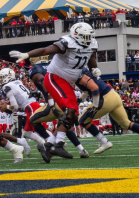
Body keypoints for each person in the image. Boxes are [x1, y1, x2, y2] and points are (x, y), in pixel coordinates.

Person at [10, 22, 99, 161]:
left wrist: (94, 69)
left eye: (89, 37)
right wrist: (27, 54)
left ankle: (48, 145)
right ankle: (59, 144)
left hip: (68, 82)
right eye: (84, 37)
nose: (87, 40)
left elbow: (91, 59)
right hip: (55, 78)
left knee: (72, 112)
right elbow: (45, 51)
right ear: (75, 35)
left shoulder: (92, 44)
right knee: (69, 109)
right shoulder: (67, 43)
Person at [76, 68, 139, 153]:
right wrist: (80, 98)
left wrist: (94, 105)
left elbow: (93, 87)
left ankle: (103, 141)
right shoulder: (83, 70)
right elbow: (88, 89)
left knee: (83, 119)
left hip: (105, 98)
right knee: (126, 124)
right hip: (114, 96)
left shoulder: (76, 73)